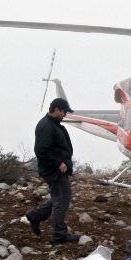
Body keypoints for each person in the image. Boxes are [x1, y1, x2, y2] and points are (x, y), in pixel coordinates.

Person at [26, 98, 81, 244]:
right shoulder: (46, 125)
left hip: (57, 169)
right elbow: (41, 150)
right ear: (56, 109)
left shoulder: (54, 124)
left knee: (60, 198)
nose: (65, 115)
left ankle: (35, 215)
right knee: (62, 200)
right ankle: (59, 235)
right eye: (64, 112)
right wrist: (59, 163)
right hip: (54, 170)